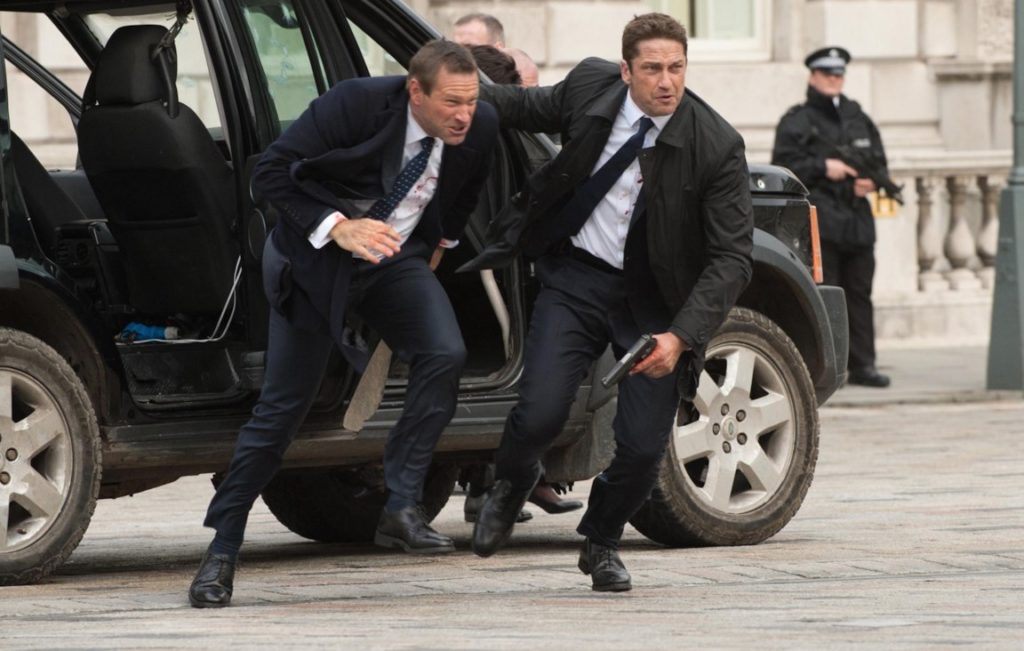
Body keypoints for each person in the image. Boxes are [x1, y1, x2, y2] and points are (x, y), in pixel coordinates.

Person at [188, 40, 498, 608]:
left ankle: (401, 506)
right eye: (452, 102)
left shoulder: (479, 126)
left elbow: (462, 193)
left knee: (444, 352)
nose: (464, 115)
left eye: (471, 101)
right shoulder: (356, 104)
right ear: (415, 91)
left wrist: (439, 246)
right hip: (316, 259)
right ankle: (222, 550)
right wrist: (339, 227)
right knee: (283, 411)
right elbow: (270, 174)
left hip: (393, 258)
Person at [464, 13, 753, 591]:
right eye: (652, 69)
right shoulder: (590, 86)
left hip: (654, 306)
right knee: (539, 412)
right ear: (626, 71)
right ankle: (512, 482)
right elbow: (520, 107)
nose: (666, 81)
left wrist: (680, 336)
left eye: (676, 68)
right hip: (578, 278)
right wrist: (446, 84)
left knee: (643, 449)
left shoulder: (716, 145)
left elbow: (733, 259)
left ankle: (600, 540)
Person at [462, 43, 584, 521]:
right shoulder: (494, 139)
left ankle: (510, 479)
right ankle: (506, 479)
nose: (536, 105)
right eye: (527, 95)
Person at [772, 47, 891, 388]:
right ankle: (829, 368)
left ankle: (863, 364)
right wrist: (824, 167)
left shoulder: (857, 117)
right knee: (825, 298)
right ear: (813, 76)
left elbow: (880, 162)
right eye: (827, 74)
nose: (834, 79)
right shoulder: (797, 120)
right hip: (821, 223)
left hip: (857, 222)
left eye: (838, 74)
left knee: (859, 295)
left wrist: (873, 181)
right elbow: (784, 166)